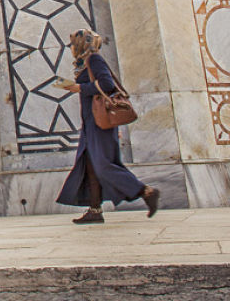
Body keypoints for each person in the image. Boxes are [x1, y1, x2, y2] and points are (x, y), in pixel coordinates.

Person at [55, 30, 160, 224]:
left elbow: (107, 84)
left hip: (100, 123)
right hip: (91, 123)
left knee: (103, 166)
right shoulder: (83, 63)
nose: (70, 48)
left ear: (82, 44)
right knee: (91, 167)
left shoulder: (94, 60)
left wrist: (81, 88)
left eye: (72, 44)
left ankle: (146, 191)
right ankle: (95, 210)